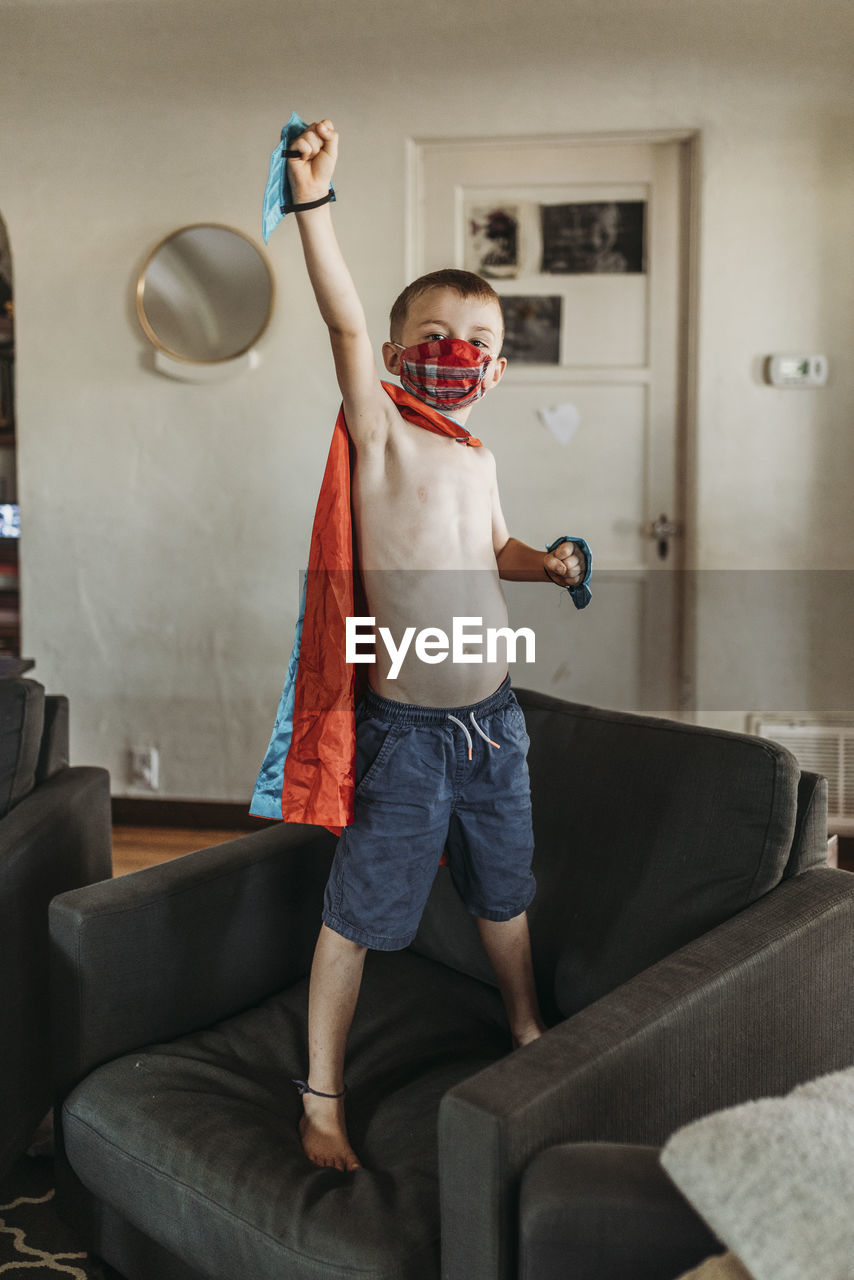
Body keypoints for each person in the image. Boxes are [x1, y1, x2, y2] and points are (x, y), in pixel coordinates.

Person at [285, 119, 589, 1173]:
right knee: (360, 911)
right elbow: (339, 318)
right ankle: (319, 1094)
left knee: (504, 894)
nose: (455, 353)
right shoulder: (381, 433)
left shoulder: (476, 451)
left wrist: (537, 562)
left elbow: (484, 543)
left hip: (493, 724)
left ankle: (523, 1024)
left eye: (477, 341)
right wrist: (314, 206)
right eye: (434, 334)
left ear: (499, 369)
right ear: (396, 352)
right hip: (406, 732)